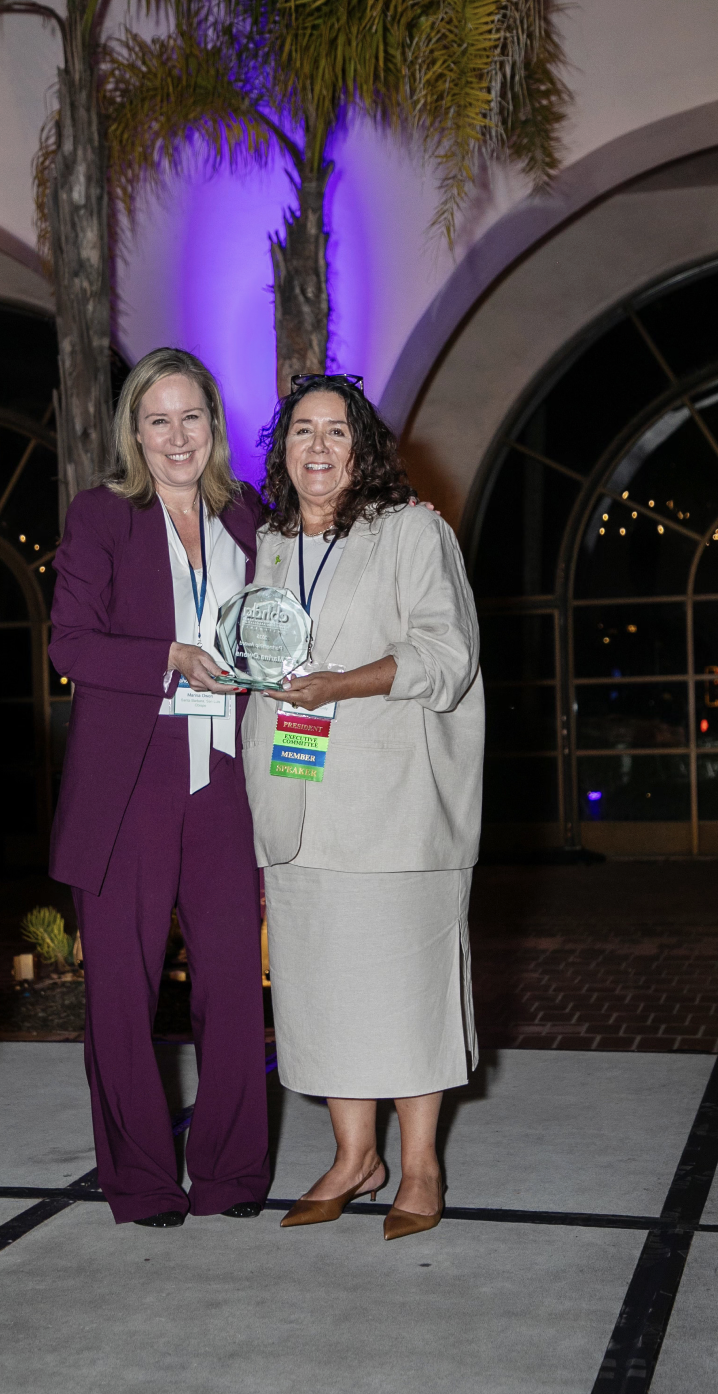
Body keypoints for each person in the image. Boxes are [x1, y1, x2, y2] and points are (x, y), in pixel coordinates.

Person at [243, 373, 484, 1241]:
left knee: (406, 988)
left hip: (395, 805)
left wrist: (343, 683)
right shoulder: (270, 541)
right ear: (282, 451)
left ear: (364, 449)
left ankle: (419, 1165)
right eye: (301, 431)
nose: (316, 446)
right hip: (297, 795)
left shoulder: (411, 532)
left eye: (335, 432)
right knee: (321, 987)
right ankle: (354, 1156)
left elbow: (445, 654)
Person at [48, 348, 270, 1227]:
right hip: (128, 780)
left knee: (229, 982)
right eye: (158, 420)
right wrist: (168, 659)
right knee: (121, 990)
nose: (177, 437)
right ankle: (140, 1182)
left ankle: (229, 1173)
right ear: (134, 432)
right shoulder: (103, 516)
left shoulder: (246, 516)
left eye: (192, 418)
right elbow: (69, 645)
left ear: (213, 425)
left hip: (225, 779)